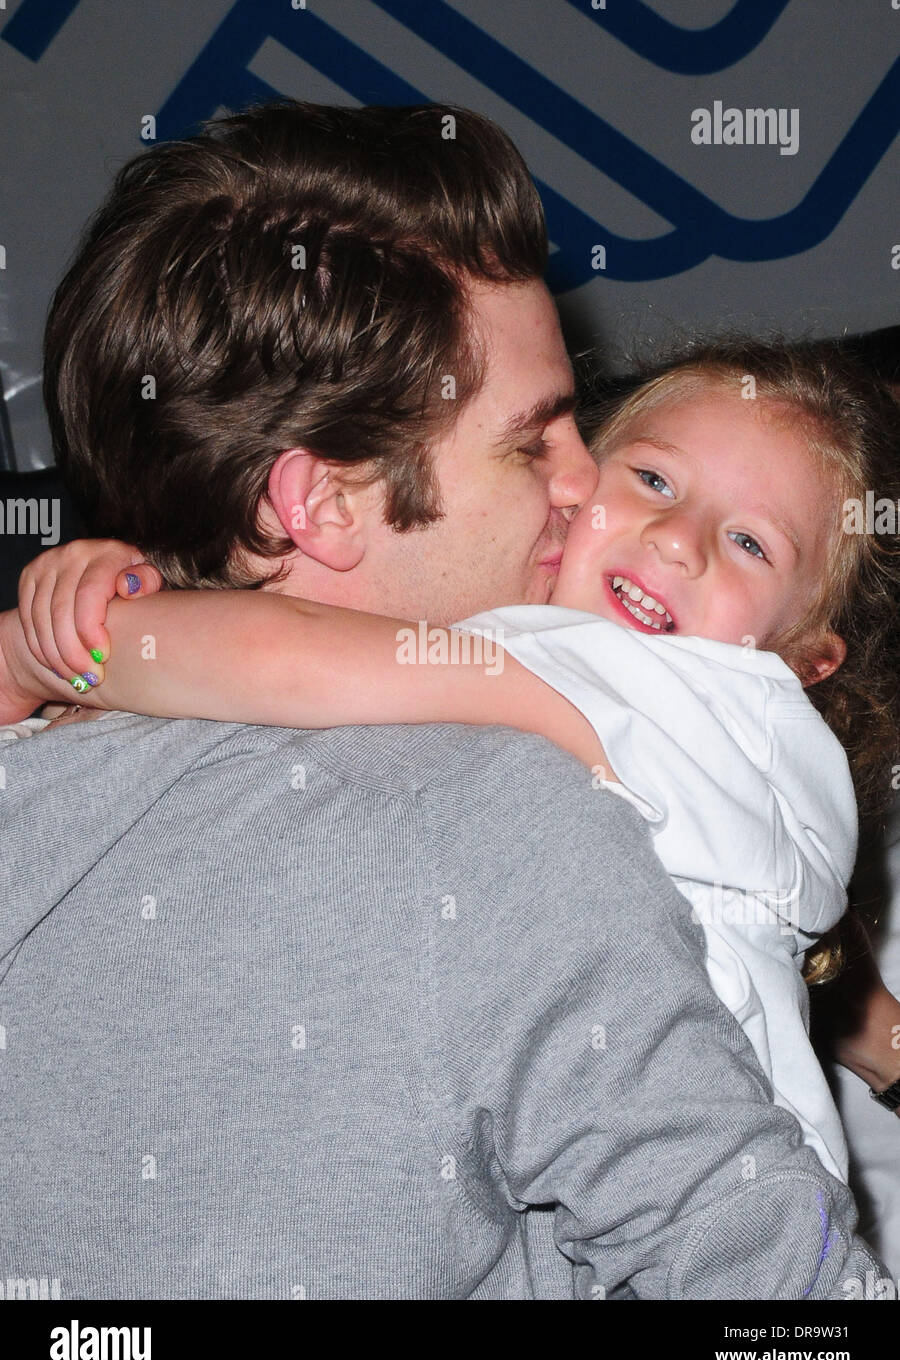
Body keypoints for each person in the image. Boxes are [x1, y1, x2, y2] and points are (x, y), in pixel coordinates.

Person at [0, 100, 890, 1299]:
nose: (586, 493)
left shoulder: (42, 766)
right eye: (536, 444)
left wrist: (58, 648)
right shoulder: (507, 813)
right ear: (314, 506)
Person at [17, 338, 900, 1187]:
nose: (677, 539)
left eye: (752, 544)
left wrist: (61, 644)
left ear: (802, 661)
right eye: (653, 479)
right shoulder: (738, 750)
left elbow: (291, 658)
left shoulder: (672, 690)